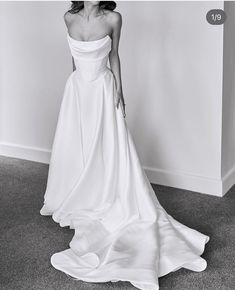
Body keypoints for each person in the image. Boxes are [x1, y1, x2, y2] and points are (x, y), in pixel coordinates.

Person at [40, 1, 210, 289]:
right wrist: (76, 87)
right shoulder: (68, 18)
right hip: (78, 89)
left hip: (104, 89)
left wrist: (121, 91)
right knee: (77, 144)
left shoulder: (114, 18)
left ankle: (106, 194)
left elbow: (115, 55)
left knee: (108, 146)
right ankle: (80, 191)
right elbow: (73, 58)